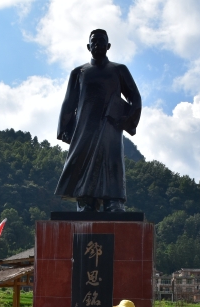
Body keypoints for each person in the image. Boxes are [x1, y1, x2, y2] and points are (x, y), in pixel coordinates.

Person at [54, 29, 142, 212]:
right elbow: (69, 101)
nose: (98, 44)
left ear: (108, 46)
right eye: (94, 41)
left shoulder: (118, 70)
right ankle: (86, 200)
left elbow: (135, 98)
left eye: (102, 41)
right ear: (88, 46)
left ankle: (114, 201)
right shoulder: (79, 72)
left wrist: (126, 118)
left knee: (112, 160)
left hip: (110, 125)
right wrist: (64, 128)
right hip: (85, 125)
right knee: (83, 161)